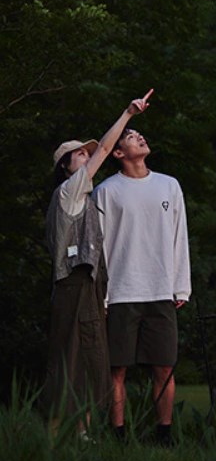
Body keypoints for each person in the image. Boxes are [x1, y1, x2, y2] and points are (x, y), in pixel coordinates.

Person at [45, 90, 152, 436]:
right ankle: (68, 434)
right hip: (72, 287)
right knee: (72, 361)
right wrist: (127, 114)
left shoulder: (83, 198)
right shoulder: (68, 192)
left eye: (86, 153)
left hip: (87, 288)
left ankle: (84, 434)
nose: (88, 157)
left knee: (91, 360)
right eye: (80, 155)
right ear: (67, 167)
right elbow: (106, 149)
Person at [94, 119, 191, 446]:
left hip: (161, 289)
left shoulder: (169, 185)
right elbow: (101, 246)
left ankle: (164, 434)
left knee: (164, 367)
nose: (140, 136)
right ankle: (118, 435)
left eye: (139, 133)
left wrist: (181, 286)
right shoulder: (106, 191)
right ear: (119, 152)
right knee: (116, 369)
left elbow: (180, 237)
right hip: (120, 291)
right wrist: (101, 296)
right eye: (132, 136)